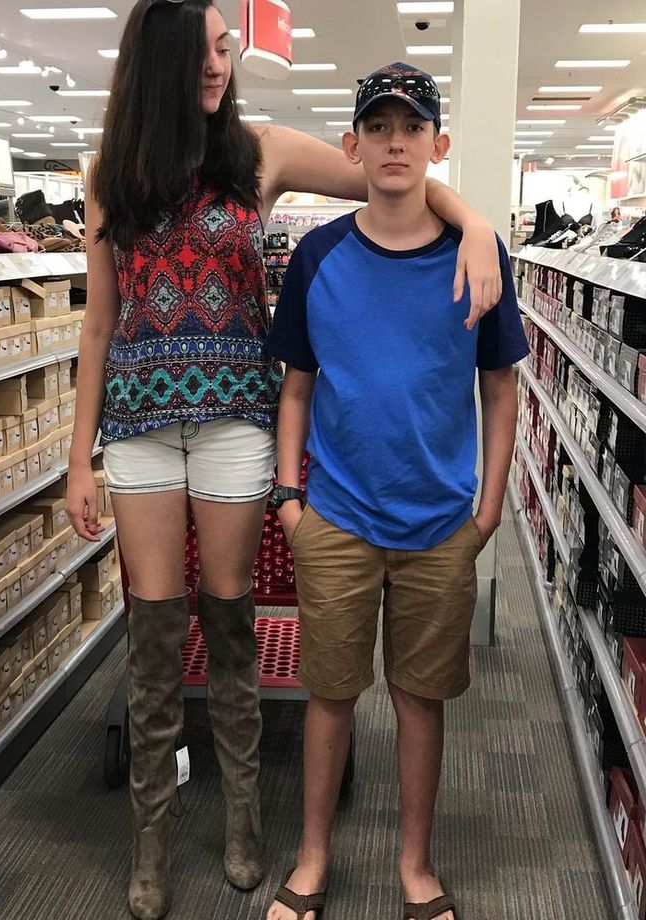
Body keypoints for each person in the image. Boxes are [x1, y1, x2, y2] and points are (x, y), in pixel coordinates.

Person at [65, 1, 504, 916]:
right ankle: (150, 845)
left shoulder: (256, 151)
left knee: (229, 623)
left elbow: (388, 170)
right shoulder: (111, 173)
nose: (218, 65)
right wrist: (79, 459)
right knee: (154, 635)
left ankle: (241, 826)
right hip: (140, 424)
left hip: (237, 417)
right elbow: (99, 323)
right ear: (156, 60)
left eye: (224, 48)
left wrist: (471, 222)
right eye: (200, 51)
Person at [265, 63, 529, 920]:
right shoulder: (318, 257)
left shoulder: (477, 259)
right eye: (377, 127)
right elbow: (296, 387)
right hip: (337, 517)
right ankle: (312, 859)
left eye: (411, 128)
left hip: (441, 521)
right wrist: (289, 501)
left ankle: (416, 864)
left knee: (420, 698)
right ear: (351, 146)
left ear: (437, 145)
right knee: (330, 695)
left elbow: (500, 390)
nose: (394, 143)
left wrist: (489, 509)